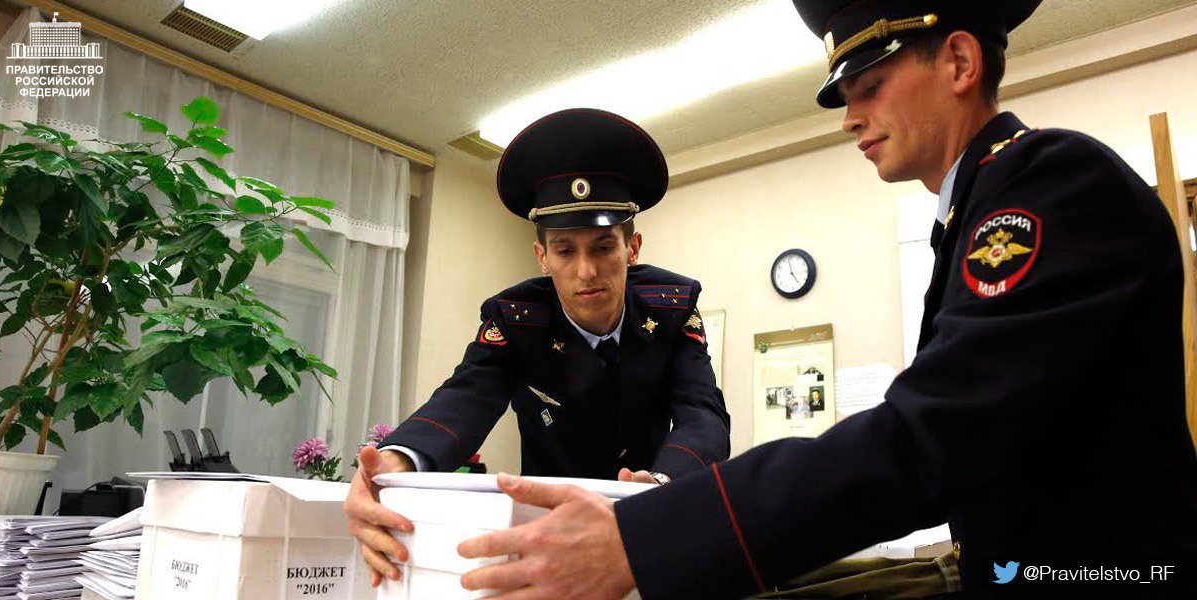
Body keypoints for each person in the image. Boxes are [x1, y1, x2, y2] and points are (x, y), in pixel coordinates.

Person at [454, 2, 1197, 598]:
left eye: (870, 87)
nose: (849, 117)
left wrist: (642, 538)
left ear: (959, 62)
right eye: (845, 96)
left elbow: (927, 437)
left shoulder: (1051, 182)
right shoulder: (976, 207)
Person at [344, 107, 731, 586]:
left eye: (604, 247)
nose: (586, 271)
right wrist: (395, 463)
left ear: (632, 249)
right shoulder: (516, 320)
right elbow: (467, 397)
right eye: (566, 250)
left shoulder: (671, 309)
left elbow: (702, 413)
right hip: (548, 529)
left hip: (646, 517)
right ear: (542, 257)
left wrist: (659, 485)